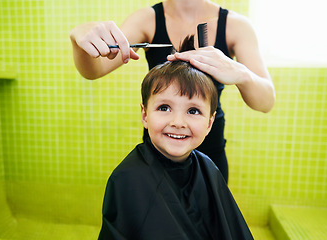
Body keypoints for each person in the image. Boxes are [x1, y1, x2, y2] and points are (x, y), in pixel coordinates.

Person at [70, 0, 276, 182]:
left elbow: (266, 101)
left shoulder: (236, 26)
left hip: (210, 153)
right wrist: (79, 39)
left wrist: (240, 72)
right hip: (158, 151)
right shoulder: (146, 20)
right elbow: (94, 70)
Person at [98, 36, 254, 240]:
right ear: (145, 115)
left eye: (193, 111)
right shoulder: (126, 179)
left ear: (209, 122)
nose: (178, 122)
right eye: (164, 108)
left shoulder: (209, 170)